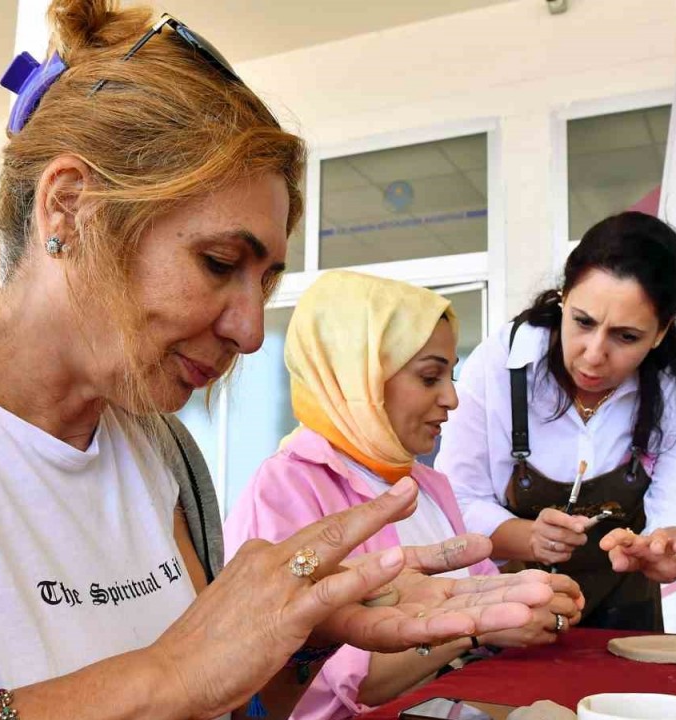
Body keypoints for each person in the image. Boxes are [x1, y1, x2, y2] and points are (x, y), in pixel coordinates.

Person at [0, 3, 555, 718]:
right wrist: (157, 675)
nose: (248, 330)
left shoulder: (152, 450)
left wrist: (299, 640)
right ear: (71, 206)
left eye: (265, 279)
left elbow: (213, 699)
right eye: (217, 263)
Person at [225, 271, 584, 720]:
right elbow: (342, 683)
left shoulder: (429, 485)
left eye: (450, 375)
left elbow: (482, 587)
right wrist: (474, 630)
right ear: (360, 375)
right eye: (430, 376)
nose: (451, 398)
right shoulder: (287, 489)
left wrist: (536, 599)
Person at [436, 211, 676, 631]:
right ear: (564, 297)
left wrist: (667, 546)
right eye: (583, 322)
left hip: (626, 616)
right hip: (511, 612)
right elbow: (457, 501)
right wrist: (529, 537)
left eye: (626, 336)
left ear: (661, 332)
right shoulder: (500, 365)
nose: (594, 354)